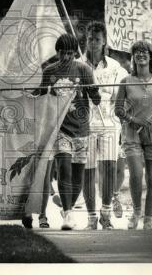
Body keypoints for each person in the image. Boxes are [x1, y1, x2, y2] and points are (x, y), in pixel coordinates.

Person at [33, 33, 101, 230]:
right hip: (59, 129)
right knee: (64, 169)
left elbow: (95, 100)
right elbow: (40, 97)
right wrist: (25, 94)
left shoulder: (84, 69)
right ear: (57, 52)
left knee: (78, 176)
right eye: (63, 53)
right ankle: (68, 215)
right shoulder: (49, 71)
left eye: (70, 54)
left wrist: (94, 90)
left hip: (81, 129)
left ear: (74, 53)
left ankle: (67, 208)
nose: (66, 58)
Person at [114, 41, 152, 230]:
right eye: (137, 52)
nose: (141, 54)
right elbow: (118, 110)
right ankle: (136, 212)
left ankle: (148, 217)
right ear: (133, 57)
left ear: (151, 56)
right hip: (132, 133)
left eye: (144, 51)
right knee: (136, 175)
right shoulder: (126, 81)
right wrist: (134, 120)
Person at [83, 22, 128, 230]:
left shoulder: (115, 67)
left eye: (97, 40)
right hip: (85, 125)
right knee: (88, 170)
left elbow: (121, 95)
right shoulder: (78, 64)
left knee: (109, 168)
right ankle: (91, 217)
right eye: (90, 39)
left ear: (104, 42)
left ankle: (105, 214)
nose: (93, 43)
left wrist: (109, 96)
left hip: (110, 123)